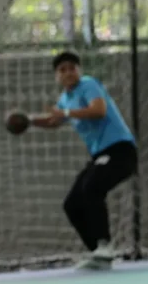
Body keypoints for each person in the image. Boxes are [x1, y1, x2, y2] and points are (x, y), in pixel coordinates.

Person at [29, 51, 139, 271]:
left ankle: (104, 245)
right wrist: (28, 120)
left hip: (120, 151)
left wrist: (66, 113)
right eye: (62, 70)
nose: (68, 73)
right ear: (56, 76)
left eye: (72, 68)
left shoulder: (88, 85)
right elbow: (53, 121)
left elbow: (99, 110)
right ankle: (98, 253)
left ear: (80, 70)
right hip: (101, 156)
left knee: (92, 187)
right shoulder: (65, 98)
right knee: (72, 204)